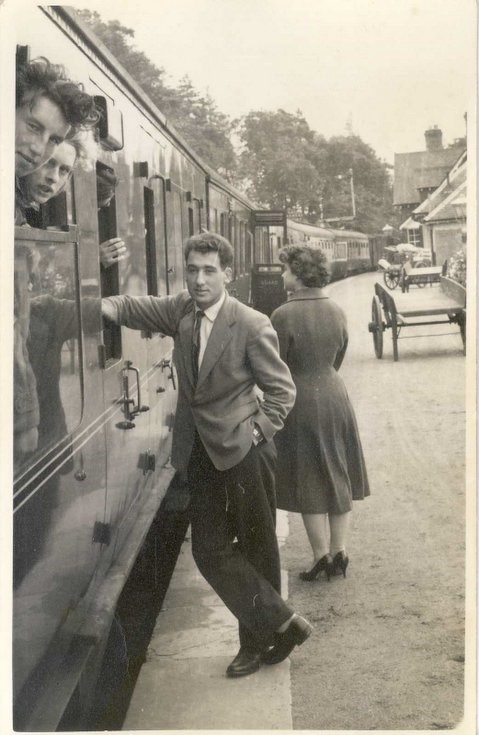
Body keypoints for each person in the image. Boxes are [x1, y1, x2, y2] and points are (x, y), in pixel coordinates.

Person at [101, 231, 313, 677]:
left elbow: (281, 391)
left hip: (244, 452)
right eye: (192, 270)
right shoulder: (181, 309)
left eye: (209, 271)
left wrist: (254, 434)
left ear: (228, 275)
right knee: (210, 549)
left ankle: (256, 645)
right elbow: (127, 306)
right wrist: (92, 300)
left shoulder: (252, 323)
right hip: (199, 451)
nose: (199, 280)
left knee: (256, 547)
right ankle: (282, 621)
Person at [270, 245, 370, 582]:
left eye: (285, 270)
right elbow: (340, 352)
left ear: (298, 274)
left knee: (309, 478)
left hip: (301, 399)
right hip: (334, 393)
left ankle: (320, 556)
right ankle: (341, 552)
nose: (282, 275)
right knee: (338, 472)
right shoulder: (336, 310)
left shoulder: (282, 315)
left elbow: (276, 367)